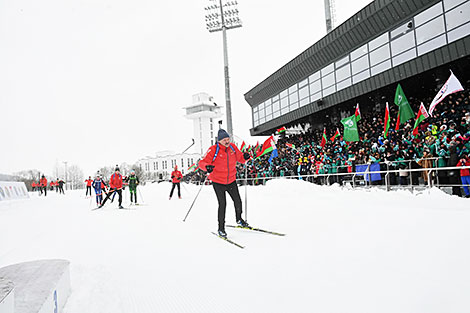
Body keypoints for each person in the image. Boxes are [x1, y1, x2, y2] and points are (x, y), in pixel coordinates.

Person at [198, 129, 251, 238]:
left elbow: (240, 158)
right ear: (219, 141)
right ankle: (221, 228)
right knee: (222, 204)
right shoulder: (213, 150)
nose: (227, 141)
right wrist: (206, 167)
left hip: (231, 180)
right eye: (224, 140)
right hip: (218, 182)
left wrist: (245, 157)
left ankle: (239, 219)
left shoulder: (232, 147)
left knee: (238, 201)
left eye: (228, 139)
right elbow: (202, 162)